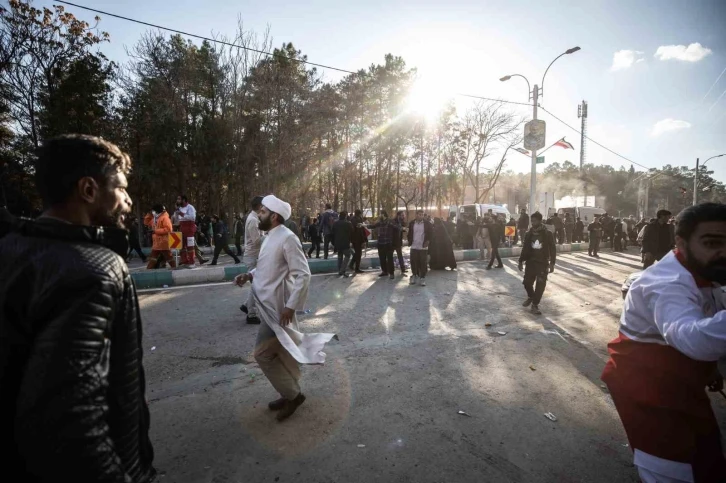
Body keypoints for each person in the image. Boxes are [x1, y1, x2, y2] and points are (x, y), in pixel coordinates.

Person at [0, 135, 155, 481]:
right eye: (121, 189)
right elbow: (72, 418)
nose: (128, 200)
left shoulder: (11, 249)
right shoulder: (94, 270)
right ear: (88, 190)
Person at [602, 203, 726, 483]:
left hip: (681, 380)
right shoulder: (667, 284)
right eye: (712, 243)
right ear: (681, 243)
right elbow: (691, 336)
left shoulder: (705, 270)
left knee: (706, 455)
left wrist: (709, 369)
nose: (724, 251)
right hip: (647, 387)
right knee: (672, 466)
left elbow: (708, 315)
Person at [233, 195, 335, 422]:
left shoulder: (288, 238)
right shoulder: (270, 237)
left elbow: (303, 274)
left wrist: (290, 307)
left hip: (278, 311)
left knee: (262, 355)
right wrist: (249, 275)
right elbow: (268, 269)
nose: (259, 214)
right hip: (267, 307)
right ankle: (288, 392)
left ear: (274, 216)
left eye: (262, 211)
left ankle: (294, 395)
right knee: (281, 352)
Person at [518, 211, 556, 315]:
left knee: (540, 285)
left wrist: (552, 263)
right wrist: (520, 261)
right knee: (526, 283)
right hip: (530, 263)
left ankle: (535, 305)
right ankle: (531, 296)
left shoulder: (547, 234)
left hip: (542, 264)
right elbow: (525, 248)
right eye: (532, 221)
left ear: (540, 221)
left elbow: (553, 249)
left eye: (535, 221)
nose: (533, 223)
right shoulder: (529, 233)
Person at [241, 196, 265, 324]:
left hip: (254, 255)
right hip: (252, 256)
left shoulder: (255, 218)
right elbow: (256, 241)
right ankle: (251, 314)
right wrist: (271, 236)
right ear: (259, 206)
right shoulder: (253, 220)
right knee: (257, 285)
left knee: (256, 284)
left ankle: (246, 305)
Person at [144, 204, 177, 269]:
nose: (152, 212)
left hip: (163, 242)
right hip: (157, 243)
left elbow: (168, 229)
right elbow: (146, 222)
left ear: (157, 211)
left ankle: (174, 268)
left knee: (168, 257)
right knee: (154, 257)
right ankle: (149, 269)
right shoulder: (155, 218)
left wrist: (155, 231)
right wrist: (149, 214)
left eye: (153, 211)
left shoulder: (165, 218)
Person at [369, 210, 398, 279]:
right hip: (380, 243)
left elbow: (397, 227)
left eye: (380, 214)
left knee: (390, 259)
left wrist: (403, 228)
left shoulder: (390, 221)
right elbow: (372, 226)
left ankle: (391, 273)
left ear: (383, 214)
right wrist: (363, 225)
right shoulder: (380, 222)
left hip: (388, 243)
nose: (379, 216)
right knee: (382, 258)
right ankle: (384, 271)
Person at [408, 210, 432, 286]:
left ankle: (422, 278)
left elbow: (431, 233)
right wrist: (409, 241)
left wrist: (428, 241)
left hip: (423, 247)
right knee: (413, 262)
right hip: (414, 246)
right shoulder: (412, 223)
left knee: (423, 263)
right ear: (416, 215)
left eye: (422, 215)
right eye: (419, 214)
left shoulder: (427, 224)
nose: (421, 216)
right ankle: (414, 276)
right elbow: (410, 233)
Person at [175, 195, 199, 266]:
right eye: (177, 199)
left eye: (179, 199)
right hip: (182, 228)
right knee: (182, 246)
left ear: (184, 200)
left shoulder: (190, 207)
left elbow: (192, 217)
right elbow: (177, 219)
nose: (177, 200)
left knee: (190, 246)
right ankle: (185, 261)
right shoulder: (179, 208)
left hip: (189, 229)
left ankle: (192, 262)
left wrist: (181, 214)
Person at [332, 211, 353, 277]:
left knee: (340, 257)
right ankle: (342, 270)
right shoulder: (348, 223)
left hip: (337, 243)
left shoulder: (335, 223)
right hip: (345, 243)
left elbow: (332, 233)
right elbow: (352, 232)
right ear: (345, 216)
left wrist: (333, 243)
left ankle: (339, 271)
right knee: (347, 255)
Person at [349, 209, 367, 274]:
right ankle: (356, 268)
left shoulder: (354, 219)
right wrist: (364, 239)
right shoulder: (356, 219)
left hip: (356, 239)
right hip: (357, 239)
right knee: (358, 254)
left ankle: (352, 265)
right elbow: (360, 230)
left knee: (357, 253)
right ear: (359, 214)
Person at [393, 211, 408, 275]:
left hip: (398, 241)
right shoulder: (393, 221)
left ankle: (403, 269)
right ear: (398, 215)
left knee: (400, 255)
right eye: (402, 215)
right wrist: (402, 228)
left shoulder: (401, 222)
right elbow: (398, 228)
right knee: (390, 256)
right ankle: (390, 269)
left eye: (403, 215)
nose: (403, 216)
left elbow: (404, 228)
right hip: (392, 241)